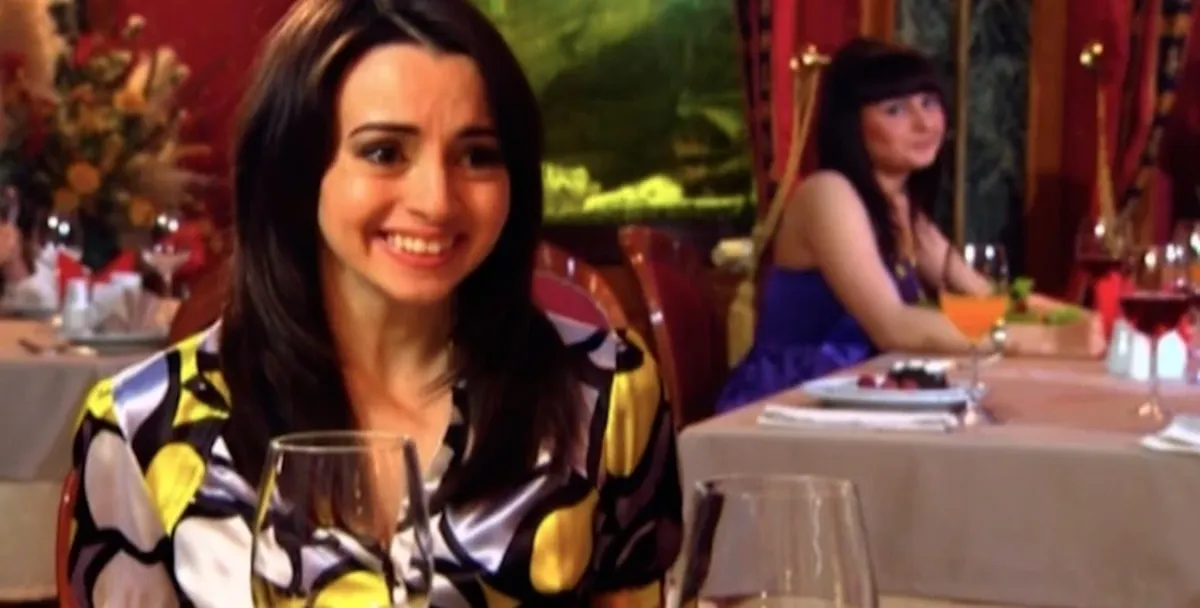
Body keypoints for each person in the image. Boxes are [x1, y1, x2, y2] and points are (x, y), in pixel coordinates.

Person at [65, 0, 682, 605]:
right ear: (293, 166)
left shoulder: (607, 396)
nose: (436, 200)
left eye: (477, 155)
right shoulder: (140, 428)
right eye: (385, 152)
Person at [716, 38, 1097, 413]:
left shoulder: (901, 207)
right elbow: (893, 325)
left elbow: (984, 298)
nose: (924, 123)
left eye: (929, 102)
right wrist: (1049, 341)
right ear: (851, 124)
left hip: (866, 398)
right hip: (792, 402)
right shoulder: (827, 193)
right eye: (895, 110)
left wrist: (1080, 319)